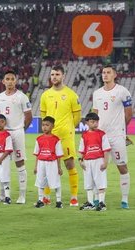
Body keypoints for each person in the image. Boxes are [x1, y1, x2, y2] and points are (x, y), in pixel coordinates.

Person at [92, 64, 133, 209]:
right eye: (103, 72)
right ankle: (97, 199)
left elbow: (128, 113)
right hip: (101, 136)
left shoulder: (122, 91)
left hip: (117, 136)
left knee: (122, 166)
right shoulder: (97, 93)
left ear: (114, 75)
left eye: (108, 72)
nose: (105, 75)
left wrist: (121, 130)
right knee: (98, 167)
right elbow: (94, 115)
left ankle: (124, 200)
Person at [40, 65, 81, 206]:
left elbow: (77, 116)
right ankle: (46, 196)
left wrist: (69, 128)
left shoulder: (71, 94)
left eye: (57, 74)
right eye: (52, 74)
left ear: (63, 76)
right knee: (47, 165)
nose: (54, 77)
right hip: (51, 136)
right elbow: (44, 115)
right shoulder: (45, 95)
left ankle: (74, 197)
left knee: (69, 163)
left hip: (65, 135)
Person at [0, 70, 32, 204]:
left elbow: (29, 116)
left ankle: (22, 195)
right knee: (2, 163)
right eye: (7, 79)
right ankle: (2, 194)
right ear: (3, 81)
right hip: (3, 134)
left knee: (19, 162)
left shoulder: (22, 97)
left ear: (15, 81)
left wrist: (21, 129)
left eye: (12, 79)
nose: (10, 81)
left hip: (16, 132)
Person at [78, 112, 111, 211]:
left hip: (98, 160)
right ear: (87, 122)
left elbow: (106, 150)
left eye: (97, 122)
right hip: (87, 162)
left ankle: (102, 203)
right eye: (93, 122)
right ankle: (90, 203)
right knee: (88, 184)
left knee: (101, 182)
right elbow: (82, 150)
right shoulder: (84, 136)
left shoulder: (102, 134)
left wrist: (105, 162)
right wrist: (80, 161)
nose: (95, 124)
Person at [33, 117, 64, 208]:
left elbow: (58, 155)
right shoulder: (39, 139)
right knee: (40, 182)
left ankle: (59, 201)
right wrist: (36, 166)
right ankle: (40, 200)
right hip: (41, 163)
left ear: (52, 126)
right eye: (43, 125)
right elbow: (37, 154)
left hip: (52, 163)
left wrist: (59, 167)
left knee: (56, 182)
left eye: (47, 125)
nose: (44, 127)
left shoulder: (56, 139)